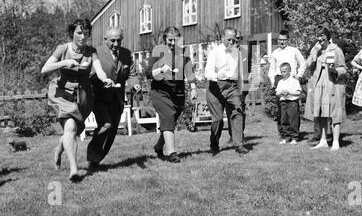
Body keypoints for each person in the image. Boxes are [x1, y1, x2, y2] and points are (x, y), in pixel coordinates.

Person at [41, 19, 113, 182]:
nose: (82, 36)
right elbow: (44, 69)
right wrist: (65, 62)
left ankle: (59, 149)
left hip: (83, 96)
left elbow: (99, 70)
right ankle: (74, 170)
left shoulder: (91, 51)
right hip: (63, 93)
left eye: (86, 33)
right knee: (71, 127)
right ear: (72, 33)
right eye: (79, 33)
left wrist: (105, 79)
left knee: (73, 130)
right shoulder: (62, 49)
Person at [145, 26, 197, 163]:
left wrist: (193, 88)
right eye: (170, 40)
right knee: (168, 116)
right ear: (164, 40)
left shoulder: (184, 52)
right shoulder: (158, 51)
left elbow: (189, 70)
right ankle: (172, 153)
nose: (173, 43)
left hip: (178, 93)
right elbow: (148, 73)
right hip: (160, 91)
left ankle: (158, 147)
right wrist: (160, 69)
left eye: (176, 40)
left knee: (170, 121)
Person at [86, 27, 134, 172]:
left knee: (112, 131)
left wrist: (135, 84)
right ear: (105, 40)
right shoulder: (96, 53)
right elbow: (89, 75)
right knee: (105, 125)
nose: (115, 43)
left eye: (118, 40)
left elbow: (132, 74)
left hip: (117, 99)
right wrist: (102, 80)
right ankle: (92, 158)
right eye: (112, 40)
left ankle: (98, 160)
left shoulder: (126, 54)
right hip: (99, 97)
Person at [205, 27, 249, 155]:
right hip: (215, 86)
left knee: (238, 112)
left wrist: (241, 89)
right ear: (222, 38)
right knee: (218, 119)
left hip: (232, 87)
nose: (231, 42)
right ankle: (214, 143)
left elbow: (240, 73)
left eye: (233, 40)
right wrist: (216, 77)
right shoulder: (215, 52)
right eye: (228, 39)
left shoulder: (237, 52)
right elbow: (208, 71)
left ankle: (239, 144)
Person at [303, 26, 347, 151]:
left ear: (327, 38)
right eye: (318, 37)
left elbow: (343, 69)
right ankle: (323, 140)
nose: (319, 41)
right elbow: (308, 66)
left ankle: (336, 141)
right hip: (319, 83)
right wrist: (314, 53)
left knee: (334, 112)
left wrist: (334, 70)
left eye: (322, 38)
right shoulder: (316, 50)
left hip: (332, 83)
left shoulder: (336, 50)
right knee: (321, 112)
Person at [268, 29, 306, 142]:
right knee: (282, 109)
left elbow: (302, 64)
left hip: (292, 79)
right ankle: (283, 134)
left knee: (293, 108)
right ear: (277, 40)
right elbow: (272, 69)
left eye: (284, 40)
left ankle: (295, 134)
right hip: (279, 79)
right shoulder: (275, 53)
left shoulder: (294, 51)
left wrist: (298, 76)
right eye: (280, 40)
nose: (282, 42)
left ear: (288, 40)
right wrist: (273, 82)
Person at [227, 29, 249, 143]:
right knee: (230, 110)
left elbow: (250, 67)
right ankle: (232, 135)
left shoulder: (245, 51)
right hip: (229, 85)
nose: (237, 40)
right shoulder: (227, 51)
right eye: (235, 38)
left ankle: (240, 134)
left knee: (240, 110)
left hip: (243, 85)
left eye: (239, 38)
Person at [275, 62, 302, 144]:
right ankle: (286, 137)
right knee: (284, 120)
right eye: (281, 72)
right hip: (283, 102)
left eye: (284, 71)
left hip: (292, 103)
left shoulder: (294, 81)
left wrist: (289, 92)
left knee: (293, 120)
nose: (282, 73)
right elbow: (277, 93)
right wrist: (281, 93)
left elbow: (298, 92)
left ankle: (294, 137)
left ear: (289, 71)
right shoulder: (280, 82)